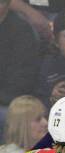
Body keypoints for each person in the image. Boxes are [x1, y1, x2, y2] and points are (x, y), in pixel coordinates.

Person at [0, 0, 39, 137]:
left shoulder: (21, 30)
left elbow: (22, 79)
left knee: (5, 117)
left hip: (8, 100)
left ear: (7, 4)